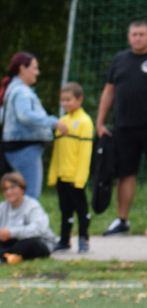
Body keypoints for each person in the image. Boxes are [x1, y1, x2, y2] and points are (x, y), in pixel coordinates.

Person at [96, 19, 147, 235]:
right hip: (124, 127)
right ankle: (122, 221)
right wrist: (100, 122)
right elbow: (109, 91)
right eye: (134, 34)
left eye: (142, 34)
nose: (138, 38)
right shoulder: (120, 59)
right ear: (128, 37)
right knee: (125, 173)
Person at [0, 52, 59, 200]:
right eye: (34, 68)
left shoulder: (12, 88)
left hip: (16, 147)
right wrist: (54, 122)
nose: (37, 72)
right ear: (22, 68)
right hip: (25, 148)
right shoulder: (21, 91)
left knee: (20, 196)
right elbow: (25, 115)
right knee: (30, 195)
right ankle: (28, 217)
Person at [0, 172, 57, 262]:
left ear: (22, 189)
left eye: (12, 187)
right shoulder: (2, 207)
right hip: (11, 243)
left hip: (33, 241)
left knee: (32, 244)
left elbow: (38, 229)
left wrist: (11, 233)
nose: (9, 192)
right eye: (5, 189)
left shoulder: (33, 206)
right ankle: (8, 256)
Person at [50, 82, 94, 253]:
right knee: (65, 209)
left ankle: (84, 238)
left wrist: (80, 178)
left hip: (76, 177)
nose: (65, 103)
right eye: (63, 100)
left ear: (79, 99)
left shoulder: (85, 122)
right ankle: (65, 239)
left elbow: (85, 153)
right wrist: (53, 174)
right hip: (62, 175)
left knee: (81, 209)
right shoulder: (62, 122)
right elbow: (57, 151)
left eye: (68, 99)